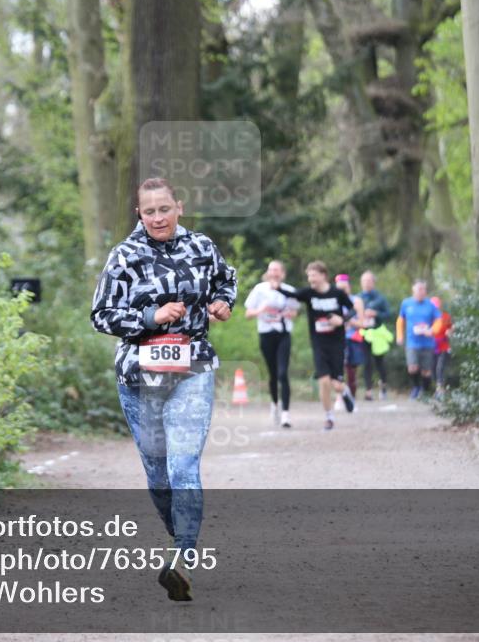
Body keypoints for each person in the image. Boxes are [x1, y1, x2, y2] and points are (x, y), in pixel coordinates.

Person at [91, 177, 237, 601]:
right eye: (149, 210)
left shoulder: (202, 247)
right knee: (158, 477)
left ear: (179, 207)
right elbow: (100, 315)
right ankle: (182, 538)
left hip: (193, 368)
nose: (157, 217)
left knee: (184, 464)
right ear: (140, 213)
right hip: (139, 376)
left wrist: (222, 303)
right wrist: (151, 317)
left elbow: (227, 280)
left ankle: (183, 558)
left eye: (164, 209)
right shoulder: (124, 256)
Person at [273, 261, 355, 431]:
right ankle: (329, 416)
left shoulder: (337, 293)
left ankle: (344, 391)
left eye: (313, 275)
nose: (311, 279)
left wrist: (342, 320)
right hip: (318, 342)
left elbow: (352, 309)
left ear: (323, 275)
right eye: (309, 276)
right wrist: (276, 284)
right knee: (324, 381)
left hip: (337, 343)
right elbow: (291, 294)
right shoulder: (309, 294)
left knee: (336, 384)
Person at [244, 261, 299, 428]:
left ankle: (286, 414)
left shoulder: (289, 290)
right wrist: (261, 310)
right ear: (268, 273)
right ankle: (275, 404)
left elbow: (295, 311)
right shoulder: (260, 289)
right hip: (266, 334)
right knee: (273, 374)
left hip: (283, 334)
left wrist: (289, 314)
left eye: (277, 270)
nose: (273, 273)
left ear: (282, 273)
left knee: (283, 373)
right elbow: (248, 314)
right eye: (271, 270)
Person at [396, 279, 442, 399]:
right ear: (413, 290)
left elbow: (438, 320)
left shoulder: (430, 305)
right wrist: (400, 336)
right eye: (419, 289)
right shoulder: (406, 303)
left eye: (424, 289)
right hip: (412, 342)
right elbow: (400, 320)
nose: (422, 292)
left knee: (426, 371)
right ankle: (416, 387)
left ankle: (425, 391)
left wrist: (432, 330)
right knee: (412, 368)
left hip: (427, 342)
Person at [358, 270, 391, 400]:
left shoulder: (380, 298)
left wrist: (376, 314)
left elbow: (388, 314)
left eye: (368, 281)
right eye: (363, 281)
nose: (366, 283)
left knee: (380, 363)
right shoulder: (358, 298)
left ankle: (383, 388)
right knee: (366, 363)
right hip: (364, 333)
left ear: (373, 282)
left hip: (377, 333)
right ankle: (368, 390)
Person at [335, 274, 367, 404]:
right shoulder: (332, 300)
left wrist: (347, 321)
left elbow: (362, 323)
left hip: (353, 338)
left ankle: (352, 397)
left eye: (345, 288)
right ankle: (339, 397)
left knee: (351, 370)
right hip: (337, 339)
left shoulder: (356, 301)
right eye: (340, 288)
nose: (343, 291)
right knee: (338, 369)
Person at [430, 296, 453, 401]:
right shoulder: (428, 317)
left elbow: (450, 329)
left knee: (440, 367)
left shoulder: (445, 316)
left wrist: (450, 332)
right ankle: (437, 388)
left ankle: (440, 389)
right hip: (431, 347)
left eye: (436, 305)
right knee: (433, 368)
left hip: (443, 347)